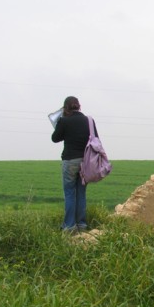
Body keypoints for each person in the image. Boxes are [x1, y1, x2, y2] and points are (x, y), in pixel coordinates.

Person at [51, 96, 93, 232]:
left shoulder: (64, 121)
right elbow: (94, 138)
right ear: (79, 106)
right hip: (86, 161)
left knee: (69, 193)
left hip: (70, 160)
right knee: (81, 193)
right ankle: (81, 224)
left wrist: (59, 123)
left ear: (65, 108)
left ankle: (69, 226)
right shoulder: (89, 121)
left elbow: (55, 138)